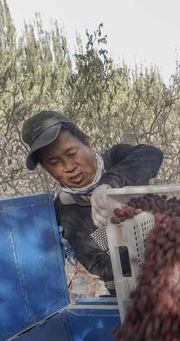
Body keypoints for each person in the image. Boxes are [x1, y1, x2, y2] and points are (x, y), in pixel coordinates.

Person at [22, 111, 163, 295]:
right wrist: (143, 258)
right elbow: (99, 264)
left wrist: (110, 184)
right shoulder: (66, 211)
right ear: (45, 168)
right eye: (54, 162)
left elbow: (152, 154)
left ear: (88, 142)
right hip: (132, 293)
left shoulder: (116, 158)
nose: (69, 167)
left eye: (72, 153)